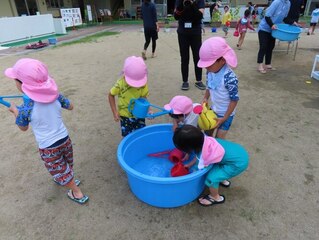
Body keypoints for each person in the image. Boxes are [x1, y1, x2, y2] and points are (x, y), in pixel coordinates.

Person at [4, 58, 89, 204]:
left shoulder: (26, 108)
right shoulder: (56, 96)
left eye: (15, 80)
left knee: (58, 168)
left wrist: (15, 111)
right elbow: (71, 106)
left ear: (22, 84)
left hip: (48, 146)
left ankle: (77, 192)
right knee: (66, 163)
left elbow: (23, 128)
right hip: (64, 139)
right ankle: (68, 177)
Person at [173, 125, 249, 206]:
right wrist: (189, 164)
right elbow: (198, 155)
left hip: (237, 164)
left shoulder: (204, 153)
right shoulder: (204, 140)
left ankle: (215, 197)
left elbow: (198, 167)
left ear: (190, 147)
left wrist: (188, 173)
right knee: (215, 170)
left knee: (211, 178)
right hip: (237, 153)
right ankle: (222, 178)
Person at [197, 37, 239, 140]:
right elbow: (209, 85)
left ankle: (217, 154)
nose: (206, 67)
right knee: (207, 133)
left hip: (226, 114)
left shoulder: (230, 78)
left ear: (223, 60)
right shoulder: (210, 71)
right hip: (214, 110)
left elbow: (234, 100)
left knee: (219, 139)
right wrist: (206, 98)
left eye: (209, 64)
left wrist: (224, 118)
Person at [108, 56, 149, 137]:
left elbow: (144, 98)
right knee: (127, 137)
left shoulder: (143, 84)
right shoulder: (120, 83)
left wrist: (148, 109)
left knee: (140, 136)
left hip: (139, 114)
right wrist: (114, 112)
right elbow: (111, 95)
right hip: (125, 117)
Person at [174, 0, 206, 91]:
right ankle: (185, 81)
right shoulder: (179, 1)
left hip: (195, 32)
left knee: (197, 57)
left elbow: (200, 16)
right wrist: (181, 5)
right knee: (184, 58)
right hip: (182, 33)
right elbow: (176, 16)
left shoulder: (199, 1)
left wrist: (192, 4)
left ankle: (198, 80)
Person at [257, 0, 291, 74]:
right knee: (263, 46)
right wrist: (271, 25)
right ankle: (260, 65)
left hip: (274, 29)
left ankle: (267, 64)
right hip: (264, 28)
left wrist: (293, 22)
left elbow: (284, 18)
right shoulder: (277, 2)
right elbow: (267, 16)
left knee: (271, 46)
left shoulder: (288, 3)